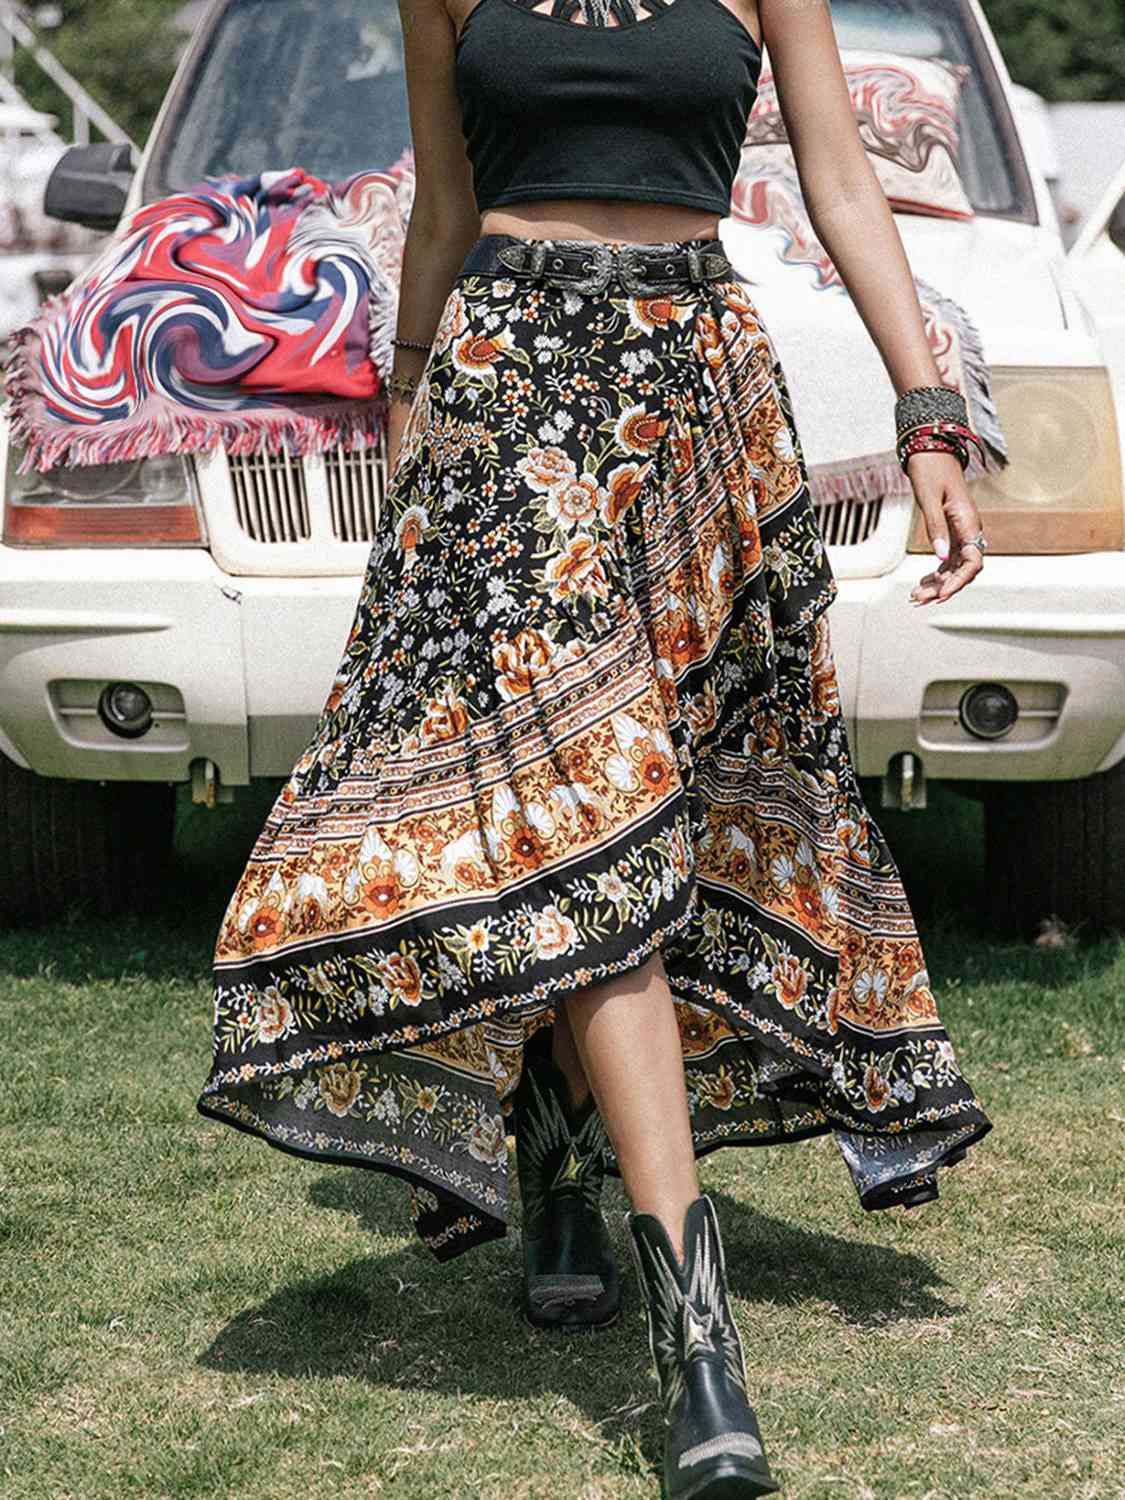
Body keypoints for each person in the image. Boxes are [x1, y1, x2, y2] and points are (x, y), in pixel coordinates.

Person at [197, 0, 994, 1493]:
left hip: (698, 392)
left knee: (675, 796)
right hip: (509, 398)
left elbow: (839, 182)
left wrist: (929, 409)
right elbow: (445, 203)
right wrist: (410, 399)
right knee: (587, 803)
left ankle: (557, 1149)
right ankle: (698, 1347)